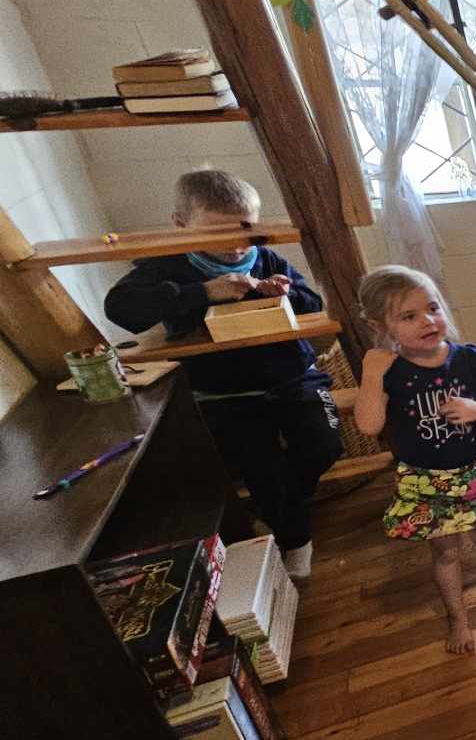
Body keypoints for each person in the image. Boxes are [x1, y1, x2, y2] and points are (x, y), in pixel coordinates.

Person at [105, 169, 342, 581]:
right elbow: (121, 308)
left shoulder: (265, 257)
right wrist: (204, 291)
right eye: (218, 232)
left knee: (324, 444)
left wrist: (284, 292)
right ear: (181, 225)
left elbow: (312, 303)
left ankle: (283, 506)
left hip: (293, 376)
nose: (235, 245)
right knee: (261, 466)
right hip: (223, 393)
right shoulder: (168, 265)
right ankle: (296, 537)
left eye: (245, 229)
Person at [352, 264, 476, 654]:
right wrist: (371, 373)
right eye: (409, 316)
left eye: (433, 308)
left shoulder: (468, 357)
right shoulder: (389, 370)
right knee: (446, 551)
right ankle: (458, 617)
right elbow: (368, 425)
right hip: (427, 481)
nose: (428, 320)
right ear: (380, 326)